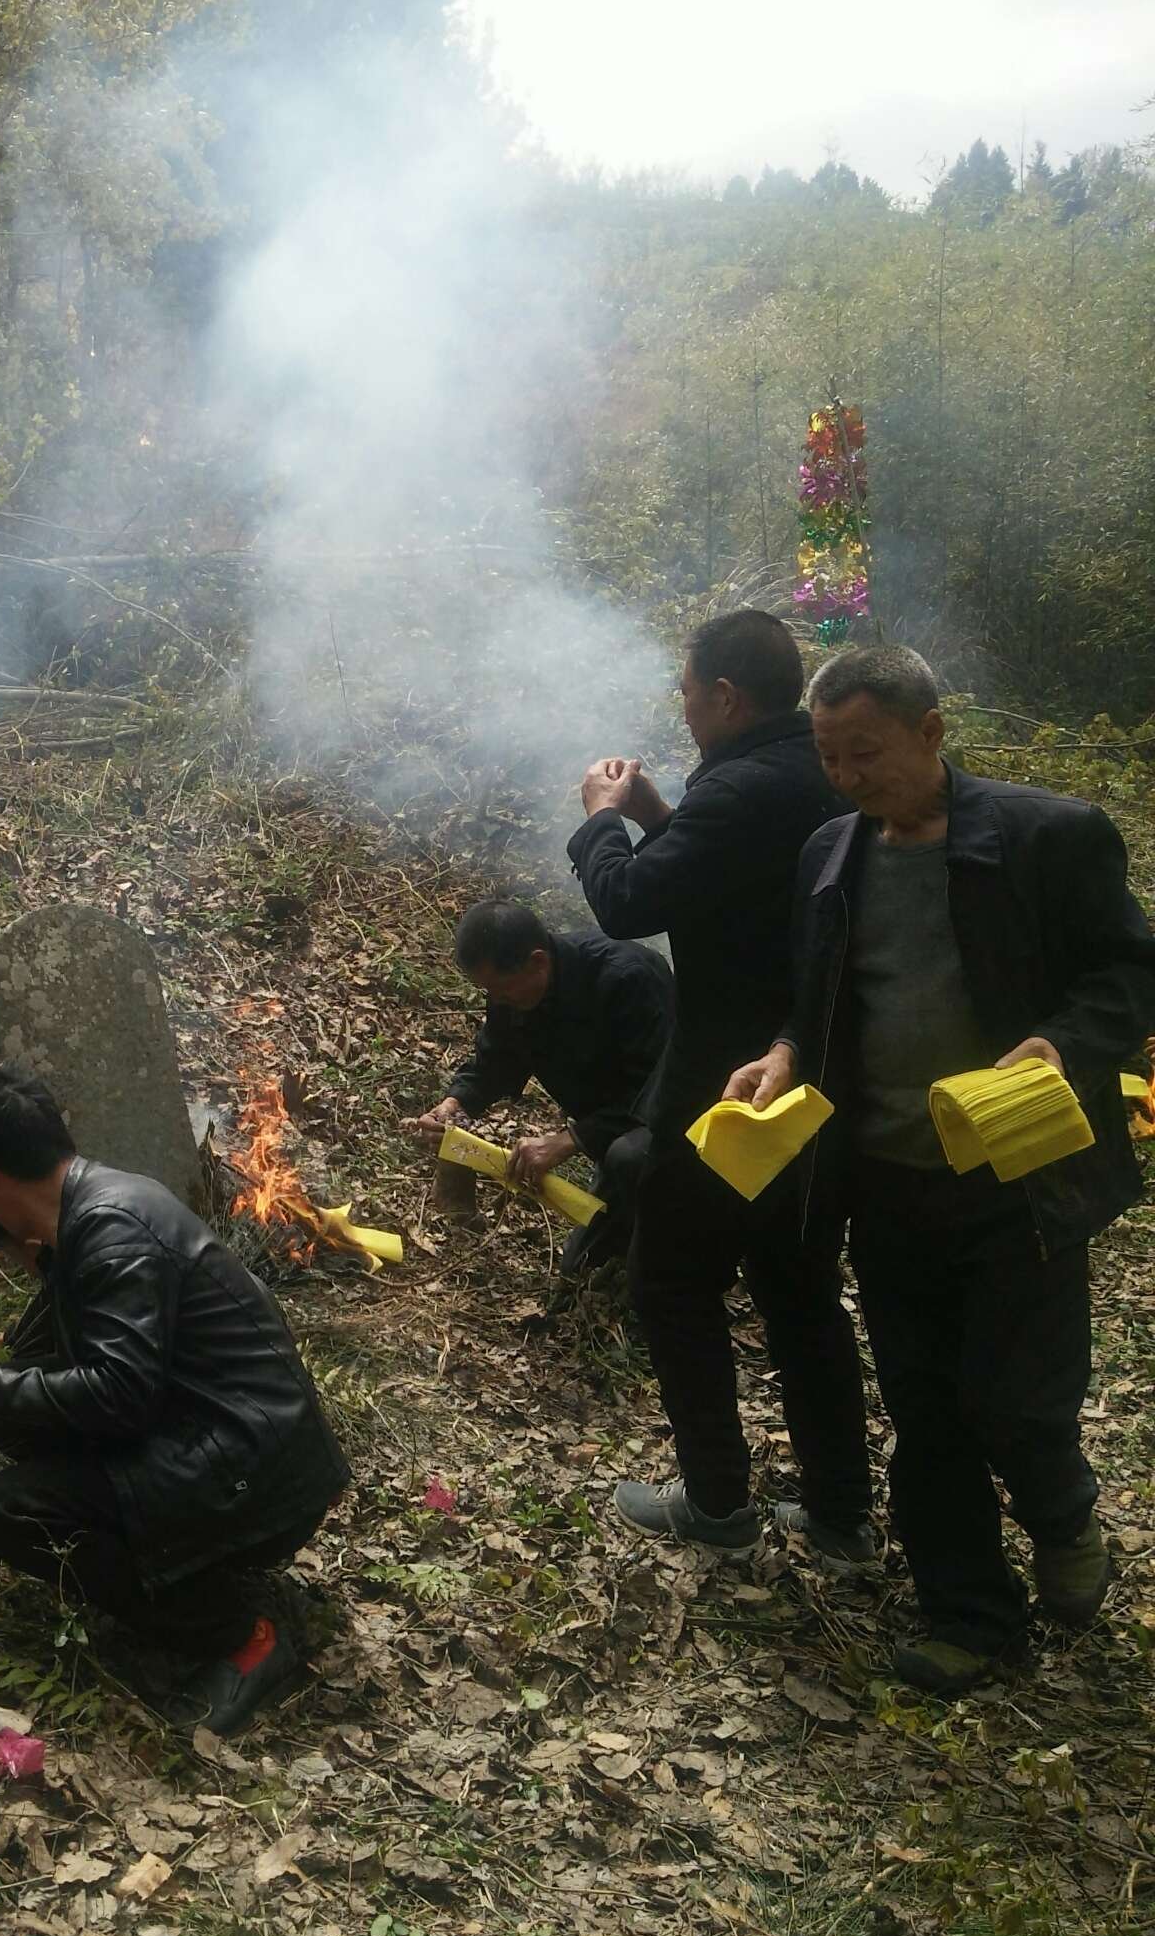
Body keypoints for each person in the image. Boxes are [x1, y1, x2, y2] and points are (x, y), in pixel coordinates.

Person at [725, 644, 1155, 1694]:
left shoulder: (1046, 837)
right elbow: (816, 993)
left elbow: (1127, 973)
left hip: (1018, 1179)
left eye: (863, 751)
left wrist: (1064, 1042)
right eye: (827, 754)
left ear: (928, 731)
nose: (843, 776)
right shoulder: (829, 852)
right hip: (884, 1179)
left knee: (1016, 1402)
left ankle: (1059, 1513)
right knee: (924, 1409)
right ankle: (970, 1615)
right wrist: (783, 1053)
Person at [0, 1059, 351, 1735]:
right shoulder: (95, 1208)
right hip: (241, 1446)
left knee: (16, 1509)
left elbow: (120, 1392)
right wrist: (1, 1371)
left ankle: (242, 1635)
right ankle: (183, 1578)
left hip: (260, 1471)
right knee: (22, 1430)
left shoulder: (112, 1229)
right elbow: (107, 1354)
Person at [567, 607, 875, 1564]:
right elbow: (731, 877)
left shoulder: (736, 792)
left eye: (690, 692)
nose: (686, 707)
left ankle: (715, 1502)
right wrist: (665, 813)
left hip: (721, 1097)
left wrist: (604, 822)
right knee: (800, 1295)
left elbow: (628, 904)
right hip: (819, 1086)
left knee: (670, 1284)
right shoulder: (820, 777)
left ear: (727, 697)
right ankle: (839, 1519)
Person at [408, 898, 672, 1275]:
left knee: (629, 1163)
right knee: (580, 1267)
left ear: (538, 961)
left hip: (676, 1135)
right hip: (611, 1139)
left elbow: (659, 1095)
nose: (496, 1001)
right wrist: (455, 1104)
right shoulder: (512, 990)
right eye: (489, 993)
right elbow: (495, 1061)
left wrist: (569, 1140)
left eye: (502, 990)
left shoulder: (627, 978)